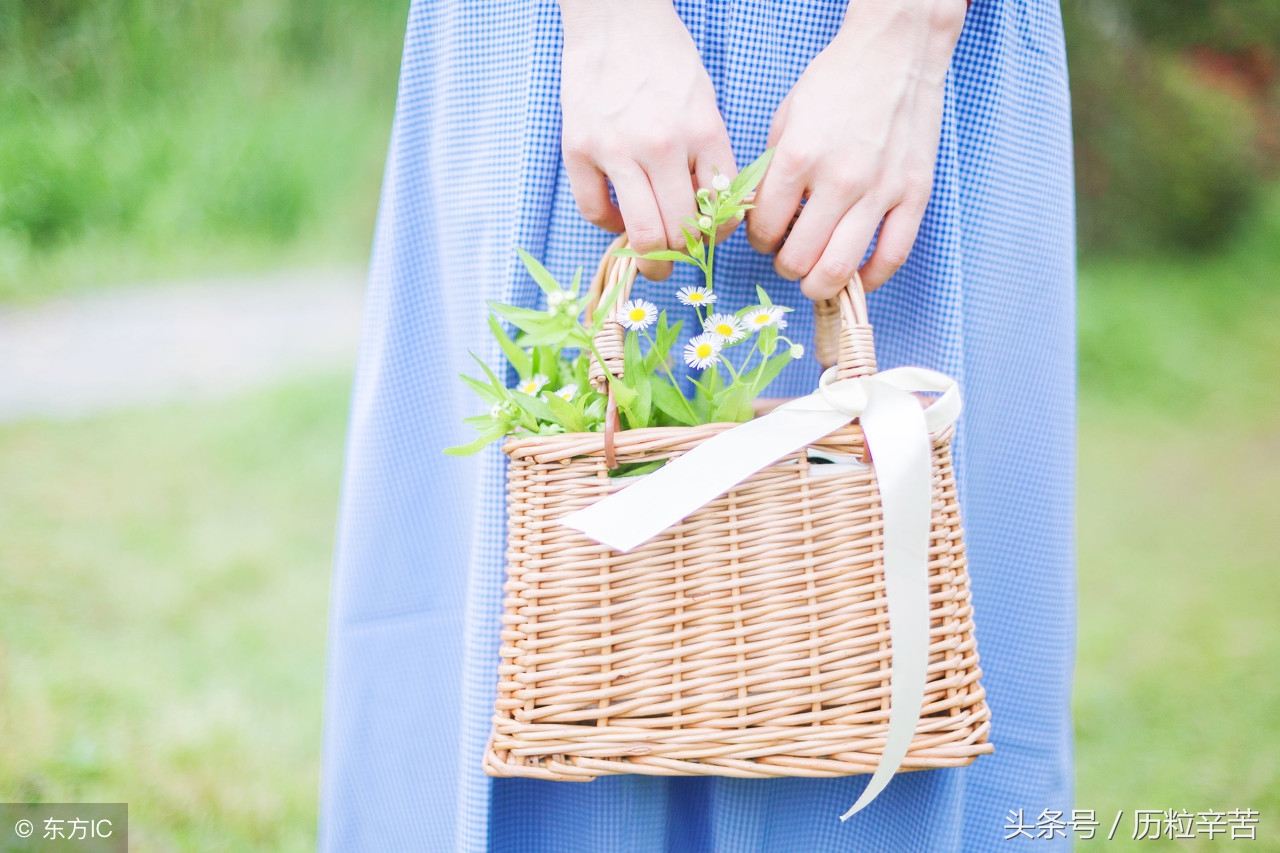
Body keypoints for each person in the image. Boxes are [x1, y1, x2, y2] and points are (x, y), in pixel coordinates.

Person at [318, 0, 1075, 850]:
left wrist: (904, 36)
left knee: (886, 644)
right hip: (569, 38)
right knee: (527, 613)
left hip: (902, 54)